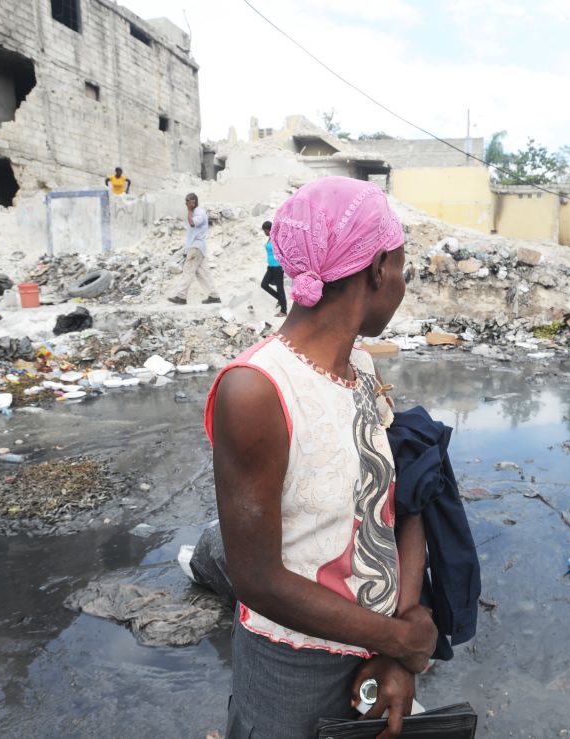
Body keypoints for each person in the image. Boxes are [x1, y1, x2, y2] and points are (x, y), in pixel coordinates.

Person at [206, 177, 434, 739]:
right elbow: (256, 576)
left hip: (376, 651)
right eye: (402, 268)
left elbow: (397, 508)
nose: (403, 284)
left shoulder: (362, 373)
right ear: (379, 269)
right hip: (293, 668)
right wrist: (399, 640)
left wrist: (397, 649)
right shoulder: (256, 390)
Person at [169, 193, 221, 305]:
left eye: (187, 201)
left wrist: (189, 210)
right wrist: (186, 250)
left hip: (196, 247)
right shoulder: (195, 212)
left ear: (193, 201)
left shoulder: (200, 212)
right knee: (202, 273)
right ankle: (214, 296)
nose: (185, 203)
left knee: (188, 270)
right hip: (196, 247)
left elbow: (192, 223)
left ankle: (181, 296)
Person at [258, 220, 287, 317]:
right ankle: (280, 298)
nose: (264, 233)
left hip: (277, 267)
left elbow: (283, 250)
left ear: (268, 229)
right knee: (264, 284)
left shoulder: (276, 238)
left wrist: (283, 265)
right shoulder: (270, 238)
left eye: (265, 230)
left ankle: (283, 311)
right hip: (271, 267)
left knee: (280, 288)